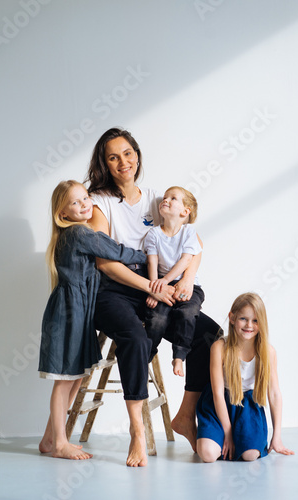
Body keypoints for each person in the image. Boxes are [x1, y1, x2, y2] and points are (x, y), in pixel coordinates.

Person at [86, 127, 221, 467]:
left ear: (137, 155)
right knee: (134, 337)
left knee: (210, 335)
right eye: (113, 156)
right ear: (104, 162)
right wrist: (151, 287)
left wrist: (185, 281)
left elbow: (194, 242)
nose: (123, 162)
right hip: (115, 289)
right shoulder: (99, 202)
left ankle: (186, 415)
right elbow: (104, 262)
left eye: (128, 153)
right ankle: (137, 432)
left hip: (159, 286)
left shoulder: (155, 197)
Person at [38, 180, 147, 460]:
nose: (86, 204)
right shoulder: (77, 233)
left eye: (86, 197)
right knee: (65, 379)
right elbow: (114, 250)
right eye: (76, 202)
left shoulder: (78, 231)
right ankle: (60, 443)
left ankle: (51, 438)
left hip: (80, 311)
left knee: (75, 378)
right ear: (63, 214)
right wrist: (144, 257)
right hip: (70, 312)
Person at [196, 292, 295, 462]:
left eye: (255, 320)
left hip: (247, 405)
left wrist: (277, 436)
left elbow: (274, 394)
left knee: (250, 455)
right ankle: (216, 438)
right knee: (208, 455)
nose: (249, 325)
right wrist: (228, 434)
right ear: (232, 318)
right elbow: (218, 394)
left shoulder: (268, 352)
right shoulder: (219, 348)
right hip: (218, 405)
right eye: (243, 319)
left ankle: (239, 439)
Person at [144, 186, 204, 377]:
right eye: (165, 197)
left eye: (173, 198)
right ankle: (147, 355)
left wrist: (165, 281)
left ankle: (179, 355)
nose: (166, 200)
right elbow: (151, 262)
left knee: (187, 313)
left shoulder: (188, 231)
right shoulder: (153, 234)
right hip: (162, 286)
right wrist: (154, 288)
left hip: (189, 286)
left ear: (185, 212)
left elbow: (186, 260)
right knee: (157, 318)